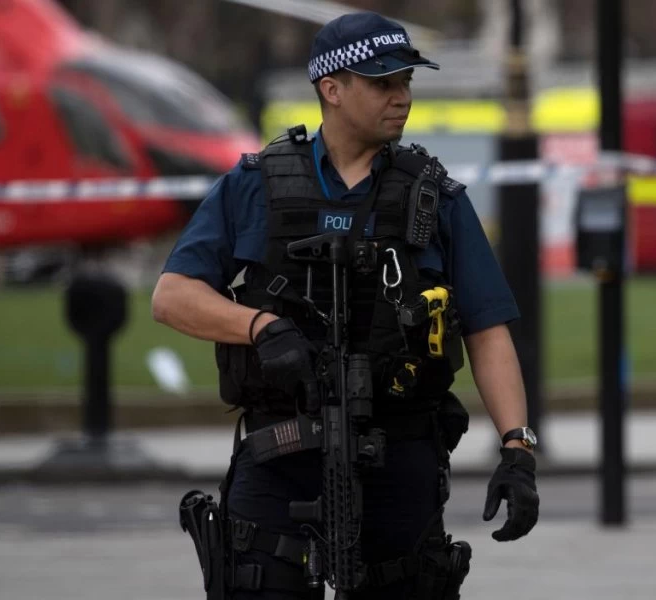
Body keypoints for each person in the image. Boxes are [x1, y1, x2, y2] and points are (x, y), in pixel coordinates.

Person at [155, 11, 540, 599]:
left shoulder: (433, 196)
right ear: (332, 89)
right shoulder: (256, 185)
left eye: (406, 81)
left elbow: (486, 329)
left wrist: (517, 448)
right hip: (280, 457)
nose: (402, 97)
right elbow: (172, 296)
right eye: (383, 83)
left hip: (399, 458)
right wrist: (260, 326)